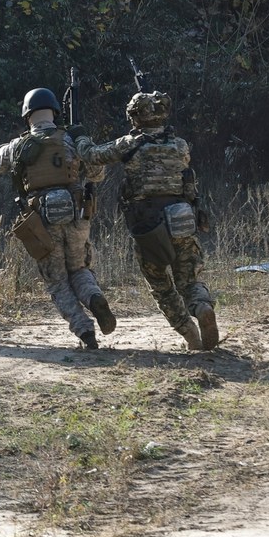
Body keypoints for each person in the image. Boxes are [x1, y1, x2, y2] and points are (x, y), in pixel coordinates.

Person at [0, 87, 116, 349]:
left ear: (27, 116)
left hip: (42, 219)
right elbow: (97, 174)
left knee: (57, 281)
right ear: (54, 112)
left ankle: (86, 332)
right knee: (79, 269)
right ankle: (94, 297)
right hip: (77, 214)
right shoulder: (72, 139)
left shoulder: (19, 146)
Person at [71, 91, 218, 351]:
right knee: (190, 280)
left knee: (160, 284)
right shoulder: (180, 144)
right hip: (183, 218)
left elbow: (91, 155)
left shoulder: (130, 143)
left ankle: (189, 333)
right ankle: (202, 306)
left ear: (134, 116)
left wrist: (79, 135)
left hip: (149, 224)